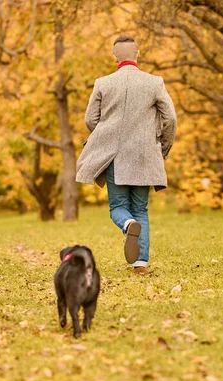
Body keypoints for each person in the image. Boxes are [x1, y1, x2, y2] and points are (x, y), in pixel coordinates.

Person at [76, 35, 177, 275]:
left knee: (118, 207)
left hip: (115, 156)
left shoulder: (103, 83)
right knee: (141, 209)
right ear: (138, 54)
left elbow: (90, 120)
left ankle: (127, 224)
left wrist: (105, 137)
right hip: (145, 155)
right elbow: (170, 118)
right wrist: (162, 146)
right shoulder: (155, 83)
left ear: (115, 59)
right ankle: (140, 265)